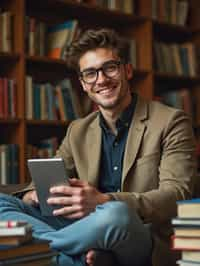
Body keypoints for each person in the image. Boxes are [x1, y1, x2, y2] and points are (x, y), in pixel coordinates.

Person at [0, 28, 197, 266]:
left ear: (127, 70)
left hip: (139, 233)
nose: (101, 80)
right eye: (90, 73)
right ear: (83, 84)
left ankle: (51, 253)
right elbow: (50, 178)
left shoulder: (171, 121)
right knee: (4, 202)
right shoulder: (78, 130)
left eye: (110, 68)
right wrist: (33, 195)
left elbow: (176, 194)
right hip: (82, 227)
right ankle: (77, 257)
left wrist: (105, 200)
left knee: (115, 213)